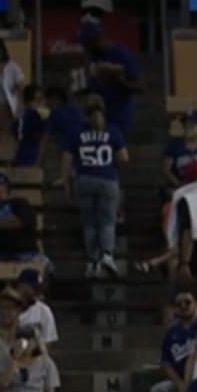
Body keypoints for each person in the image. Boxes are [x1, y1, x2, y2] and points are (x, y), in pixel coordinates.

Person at [53, 92, 127, 278]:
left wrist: (65, 180)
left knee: (89, 222)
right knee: (107, 221)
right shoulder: (112, 131)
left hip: (84, 178)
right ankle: (108, 255)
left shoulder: (76, 131)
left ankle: (93, 260)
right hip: (107, 178)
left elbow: (67, 159)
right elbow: (124, 158)